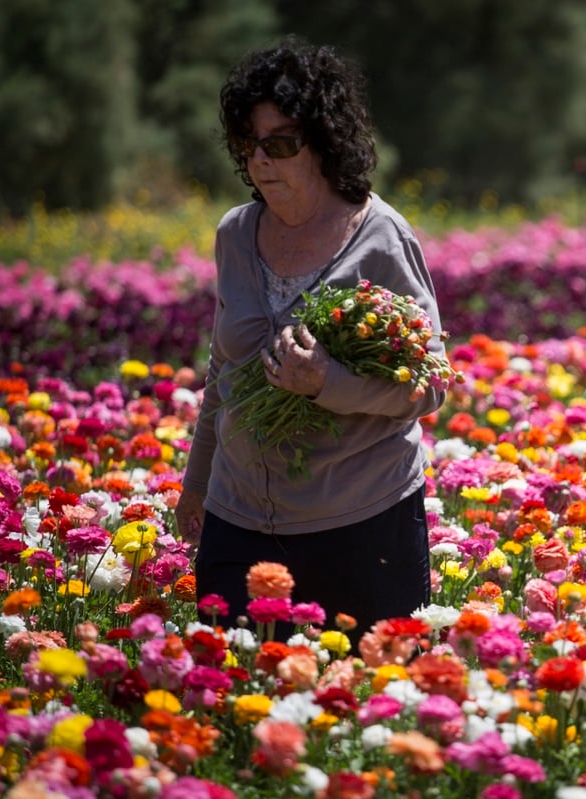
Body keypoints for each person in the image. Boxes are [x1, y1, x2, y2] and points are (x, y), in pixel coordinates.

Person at [176, 37, 446, 645]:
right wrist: (196, 485)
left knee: (358, 713)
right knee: (230, 704)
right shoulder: (235, 236)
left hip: (360, 521)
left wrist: (327, 382)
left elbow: (430, 384)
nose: (261, 162)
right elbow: (225, 369)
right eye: (249, 146)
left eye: (281, 144)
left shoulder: (381, 239)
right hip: (237, 517)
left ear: (324, 144)